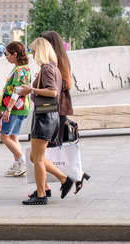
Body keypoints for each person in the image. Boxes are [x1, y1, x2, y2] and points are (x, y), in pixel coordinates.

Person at [19, 38, 73, 205]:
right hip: (47, 116)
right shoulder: (52, 67)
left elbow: (52, 92)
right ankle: (64, 179)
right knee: (35, 157)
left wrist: (31, 90)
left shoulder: (47, 68)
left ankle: (41, 195)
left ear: (40, 51)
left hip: (45, 116)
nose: (32, 54)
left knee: (38, 158)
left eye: (34, 51)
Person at [41, 31, 90, 194]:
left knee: (43, 150)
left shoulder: (57, 62)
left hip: (55, 108)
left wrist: (48, 86)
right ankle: (46, 187)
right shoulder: (55, 60)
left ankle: (49, 187)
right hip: (52, 108)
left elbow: (67, 84)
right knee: (45, 149)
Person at [0, 41, 31, 177]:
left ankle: (22, 161)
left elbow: (17, 90)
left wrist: (9, 108)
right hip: (22, 107)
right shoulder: (24, 68)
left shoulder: (19, 70)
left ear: (15, 54)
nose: (6, 56)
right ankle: (18, 164)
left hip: (15, 108)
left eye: (7, 54)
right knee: (13, 137)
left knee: (4, 136)